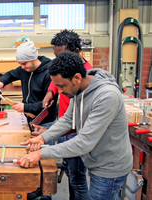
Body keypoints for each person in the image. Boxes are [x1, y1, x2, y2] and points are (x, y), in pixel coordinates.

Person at [20, 52, 133, 200]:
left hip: (110, 166)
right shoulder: (78, 90)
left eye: (61, 86)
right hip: (96, 160)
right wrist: (42, 138)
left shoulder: (107, 96)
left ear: (77, 78)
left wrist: (41, 154)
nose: (59, 91)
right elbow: (67, 120)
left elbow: (84, 142)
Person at [33, 30, 92, 200]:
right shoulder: (65, 70)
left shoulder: (86, 75)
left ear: (75, 52)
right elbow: (55, 79)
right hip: (65, 128)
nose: (58, 60)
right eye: (55, 56)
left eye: (61, 56)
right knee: (72, 176)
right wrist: (50, 92)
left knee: (78, 180)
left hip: (77, 133)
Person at [0, 41, 58, 132]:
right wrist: (1, 83)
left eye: (24, 63)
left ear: (33, 59)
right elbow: (11, 74)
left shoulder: (49, 73)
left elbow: (49, 105)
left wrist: (25, 107)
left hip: (46, 123)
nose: (22, 67)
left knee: (47, 146)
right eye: (20, 64)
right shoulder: (25, 69)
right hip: (30, 119)